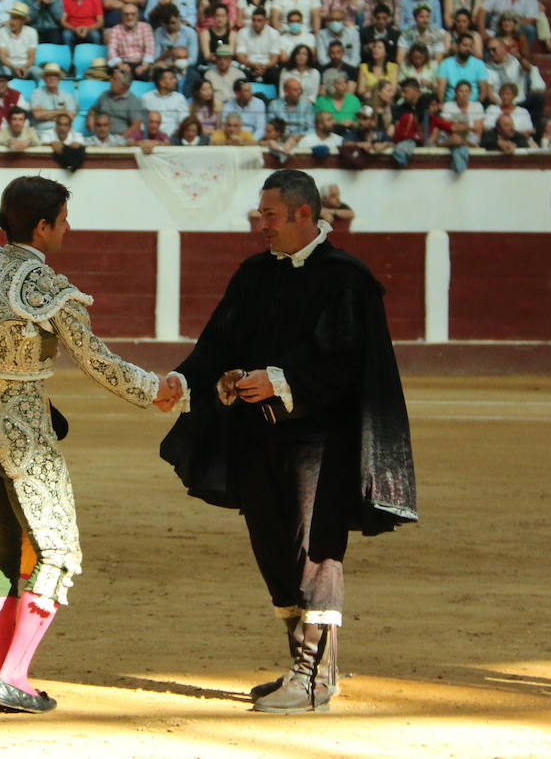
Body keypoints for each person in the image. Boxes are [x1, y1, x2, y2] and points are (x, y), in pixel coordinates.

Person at [0, 176, 182, 709]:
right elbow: (98, 362)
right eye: (62, 219)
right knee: (56, 552)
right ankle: (13, 678)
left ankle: (10, 675)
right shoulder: (47, 289)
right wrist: (156, 391)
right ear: (41, 226)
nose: (67, 228)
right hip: (23, 439)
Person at [159, 169, 416, 714]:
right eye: (260, 215)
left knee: (315, 551)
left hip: (321, 441)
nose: (262, 226)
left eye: (270, 215)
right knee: (273, 546)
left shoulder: (347, 279)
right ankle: (305, 667)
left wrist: (281, 381)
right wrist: (187, 380)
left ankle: (315, 675)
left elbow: (352, 367)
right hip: (257, 435)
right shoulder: (255, 273)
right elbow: (217, 343)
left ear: (305, 214)